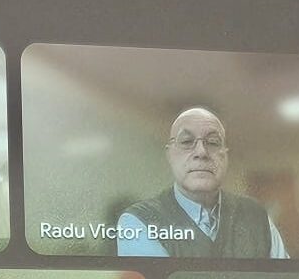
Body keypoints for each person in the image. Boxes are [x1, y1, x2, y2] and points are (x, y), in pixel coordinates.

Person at [117, 107, 287, 259]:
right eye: (186, 142)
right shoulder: (138, 220)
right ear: (170, 155)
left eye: (213, 142)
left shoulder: (256, 216)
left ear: (225, 156)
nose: (201, 152)